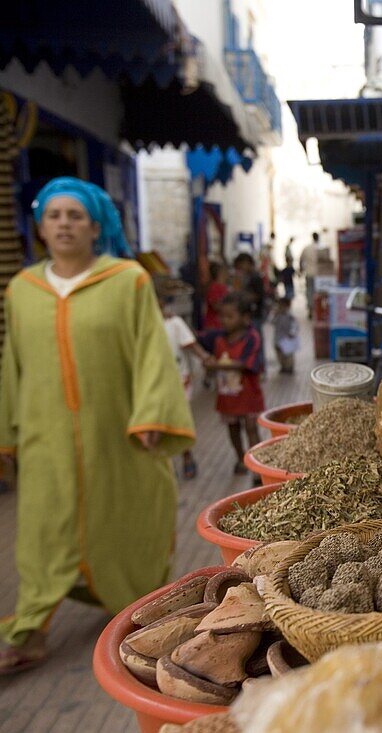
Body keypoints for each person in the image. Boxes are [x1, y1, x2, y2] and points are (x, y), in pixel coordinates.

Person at [0, 177, 194, 674]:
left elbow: (153, 351)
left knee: (126, 524)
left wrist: (152, 411)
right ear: (40, 226)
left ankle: (138, 616)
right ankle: (32, 631)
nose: (64, 224)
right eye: (54, 216)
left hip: (119, 438)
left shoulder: (126, 280)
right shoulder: (23, 290)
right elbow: (11, 365)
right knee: (43, 533)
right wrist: (6, 434)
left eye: (75, 215)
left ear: (95, 225)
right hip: (46, 444)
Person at [201, 292, 265, 477]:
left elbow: (246, 364)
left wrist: (216, 364)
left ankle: (257, 467)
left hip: (249, 396)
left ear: (245, 318)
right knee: (233, 429)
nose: (224, 320)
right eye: (222, 316)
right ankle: (240, 459)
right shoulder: (218, 339)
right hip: (228, 397)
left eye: (230, 316)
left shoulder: (252, 337)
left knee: (251, 428)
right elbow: (200, 343)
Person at [159, 293, 212, 479]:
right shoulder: (139, 323)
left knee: (179, 420)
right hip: (154, 384)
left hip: (178, 381)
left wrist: (206, 358)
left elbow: (190, 344)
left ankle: (186, 456)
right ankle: (166, 464)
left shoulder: (174, 323)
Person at [233, 252, 267, 326]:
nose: (241, 270)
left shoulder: (255, 277)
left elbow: (258, 295)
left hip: (255, 313)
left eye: (241, 267)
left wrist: (244, 296)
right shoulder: (248, 277)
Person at [272, 297, 299, 374]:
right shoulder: (277, 315)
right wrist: (275, 314)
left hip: (287, 338)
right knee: (279, 354)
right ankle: (283, 366)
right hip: (278, 338)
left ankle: (289, 367)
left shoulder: (290, 315)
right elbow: (271, 322)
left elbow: (295, 325)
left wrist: (292, 333)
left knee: (288, 354)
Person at [300, 231, 321, 319]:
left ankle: (310, 309)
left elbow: (301, 259)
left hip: (308, 273)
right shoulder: (320, 248)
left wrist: (301, 269)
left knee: (309, 291)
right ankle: (316, 310)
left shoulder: (307, 248)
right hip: (318, 274)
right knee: (317, 292)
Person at [203, 261, 230, 331]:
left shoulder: (224, 287)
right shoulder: (214, 287)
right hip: (213, 324)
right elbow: (216, 305)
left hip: (221, 324)